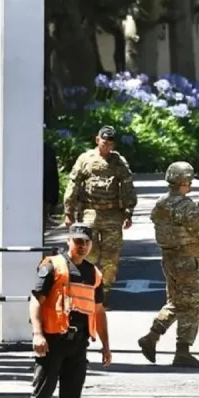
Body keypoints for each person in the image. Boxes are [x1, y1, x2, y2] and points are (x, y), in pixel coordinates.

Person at [26, 222, 112, 398]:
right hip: (53, 342)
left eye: (86, 242)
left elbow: (99, 312)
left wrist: (106, 346)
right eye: (77, 241)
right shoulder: (52, 266)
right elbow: (35, 301)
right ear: (68, 241)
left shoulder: (94, 274)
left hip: (78, 345)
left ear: (91, 244)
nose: (82, 245)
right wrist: (38, 335)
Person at [138, 162, 199, 368]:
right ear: (184, 182)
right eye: (189, 181)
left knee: (177, 301)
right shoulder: (186, 206)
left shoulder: (160, 203)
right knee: (192, 305)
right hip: (186, 261)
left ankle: (152, 336)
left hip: (169, 259)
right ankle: (182, 351)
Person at [63, 125, 137, 307]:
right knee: (87, 254)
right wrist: (68, 211)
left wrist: (128, 212)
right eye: (105, 142)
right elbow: (73, 184)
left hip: (113, 215)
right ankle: (86, 292)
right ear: (97, 140)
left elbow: (127, 187)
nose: (107, 147)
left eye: (111, 143)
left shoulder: (119, 162)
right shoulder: (85, 159)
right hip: (90, 213)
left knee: (111, 258)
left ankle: (102, 295)